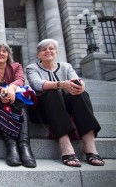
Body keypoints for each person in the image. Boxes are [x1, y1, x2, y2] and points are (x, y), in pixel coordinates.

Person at [26, 38, 104, 167]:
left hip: (66, 108)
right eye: (43, 49)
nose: (48, 51)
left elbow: (75, 79)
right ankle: (65, 145)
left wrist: (80, 84)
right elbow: (37, 84)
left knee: (80, 94)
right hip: (43, 110)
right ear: (38, 54)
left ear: (56, 52)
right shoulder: (32, 68)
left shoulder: (66, 66)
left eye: (51, 48)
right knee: (52, 92)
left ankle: (89, 146)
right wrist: (62, 84)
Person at [0, 43, 37, 168]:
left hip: (15, 101)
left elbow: (20, 80)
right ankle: (11, 145)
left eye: (4, 51)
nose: (1, 53)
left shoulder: (16, 66)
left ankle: (24, 145)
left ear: (8, 55)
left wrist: (11, 88)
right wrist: (3, 91)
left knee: (21, 99)